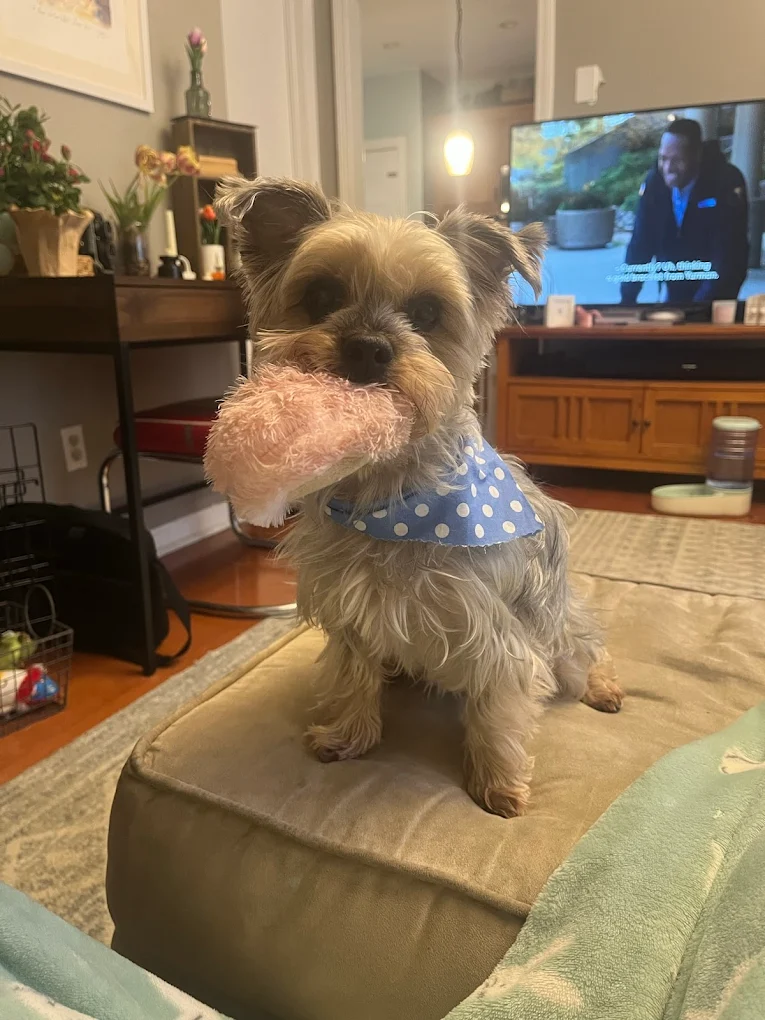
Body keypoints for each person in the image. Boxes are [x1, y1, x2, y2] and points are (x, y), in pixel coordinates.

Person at [620, 118, 749, 304]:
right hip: (675, 281)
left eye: (677, 160)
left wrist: (699, 308)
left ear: (697, 155)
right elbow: (640, 243)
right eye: (663, 158)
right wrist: (627, 299)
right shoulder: (654, 182)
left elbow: (729, 253)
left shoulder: (726, 182)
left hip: (718, 286)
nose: (668, 168)